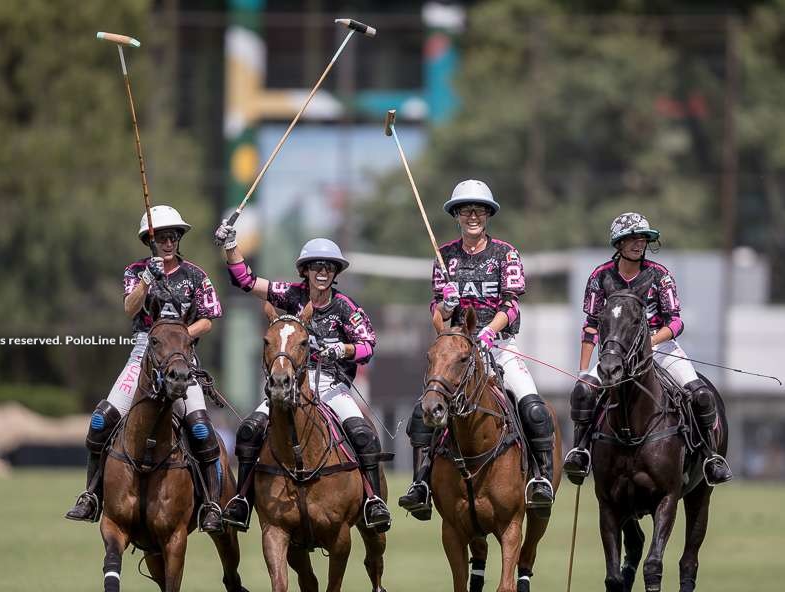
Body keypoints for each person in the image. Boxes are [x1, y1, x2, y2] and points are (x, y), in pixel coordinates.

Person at [212, 223, 391, 532]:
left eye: (328, 267)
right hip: (290, 382)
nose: (321, 272)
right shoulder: (289, 295)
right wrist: (230, 245)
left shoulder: (346, 307)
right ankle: (241, 500)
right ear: (305, 271)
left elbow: (368, 345)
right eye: (315, 266)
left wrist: (343, 349)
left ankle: (373, 500)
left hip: (332, 385)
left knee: (363, 434)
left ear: (336, 273)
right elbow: (245, 280)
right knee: (249, 431)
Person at [398, 179, 556, 520]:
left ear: (488, 215)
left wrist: (486, 332)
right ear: (457, 215)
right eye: (466, 210)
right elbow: (436, 315)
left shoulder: (505, 253)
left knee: (533, 407)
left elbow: (511, 306)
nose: (473, 216)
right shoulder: (445, 258)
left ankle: (541, 479)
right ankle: (421, 484)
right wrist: (445, 308)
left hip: (498, 346)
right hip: (458, 350)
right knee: (422, 412)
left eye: (479, 210)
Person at [65, 205, 226, 531]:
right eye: (162, 238)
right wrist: (146, 281)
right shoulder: (135, 272)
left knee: (200, 429)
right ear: (150, 242)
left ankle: (211, 504)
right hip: (143, 354)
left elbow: (208, 320)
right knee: (100, 421)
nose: (168, 243)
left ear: (179, 239)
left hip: (181, 357)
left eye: (173, 237)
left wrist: (178, 337)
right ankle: (91, 496)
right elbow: (129, 308)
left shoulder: (195, 275)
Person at [563, 211, 732, 487]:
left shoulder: (659, 276)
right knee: (583, 393)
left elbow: (676, 322)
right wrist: (583, 371)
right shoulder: (600, 277)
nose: (638, 243)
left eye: (642, 237)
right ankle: (580, 451)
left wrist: (649, 342)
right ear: (618, 243)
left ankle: (710, 457)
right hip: (616, 353)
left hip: (660, 346)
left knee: (701, 394)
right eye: (631, 238)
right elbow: (591, 326)